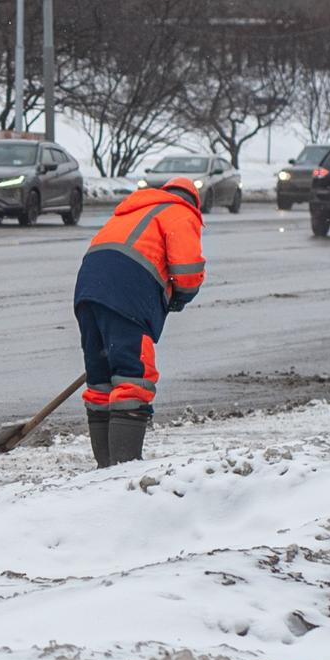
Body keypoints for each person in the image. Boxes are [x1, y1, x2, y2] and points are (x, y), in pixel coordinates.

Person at [73, 176, 205, 467]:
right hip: (126, 291)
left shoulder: (133, 209)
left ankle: (105, 465)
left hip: (88, 288)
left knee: (101, 376)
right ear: (194, 202)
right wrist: (180, 297)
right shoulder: (180, 212)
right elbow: (187, 269)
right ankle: (123, 466)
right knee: (133, 373)